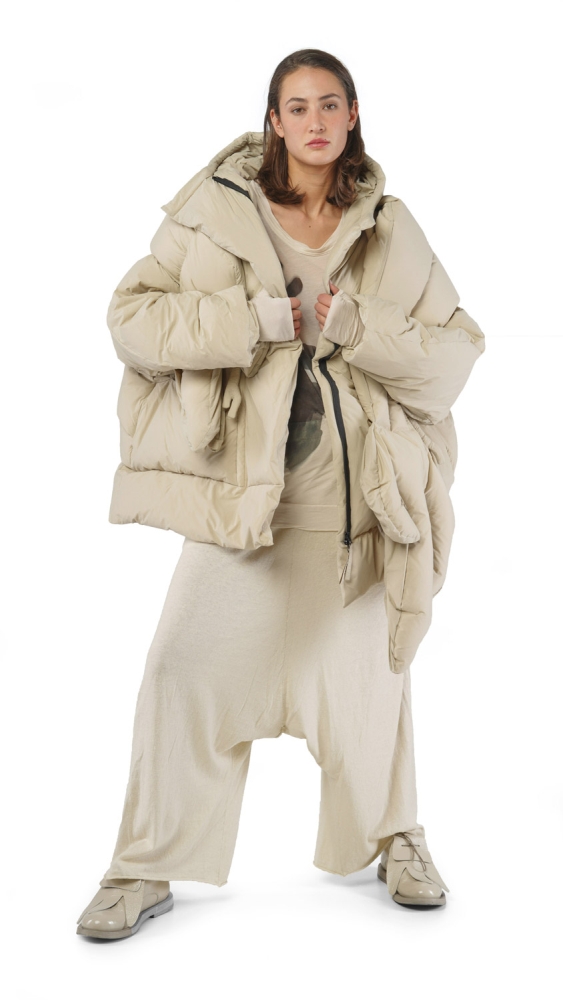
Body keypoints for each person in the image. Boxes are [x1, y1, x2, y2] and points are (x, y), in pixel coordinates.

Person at [76, 48, 485, 939]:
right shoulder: (215, 211)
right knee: (178, 671)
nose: (313, 121)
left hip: (350, 506)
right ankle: (140, 866)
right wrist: (258, 322)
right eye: (296, 107)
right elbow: (130, 320)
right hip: (244, 503)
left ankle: (397, 838)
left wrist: (357, 327)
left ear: (351, 116)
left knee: (374, 684)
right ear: (273, 121)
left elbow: (454, 356)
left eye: (329, 104)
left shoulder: (390, 228)